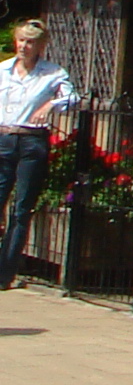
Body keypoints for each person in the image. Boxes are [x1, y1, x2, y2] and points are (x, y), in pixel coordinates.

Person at [0, 18, 76, 290]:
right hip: (4, 138)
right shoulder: (3, 70)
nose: (24, 46)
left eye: (30, 42)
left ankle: (4, 273)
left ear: (41, 45)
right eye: (21, 40)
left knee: (21, 208)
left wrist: (51, 104)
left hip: (31, 141)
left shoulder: (52, 73)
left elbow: (72, 98)